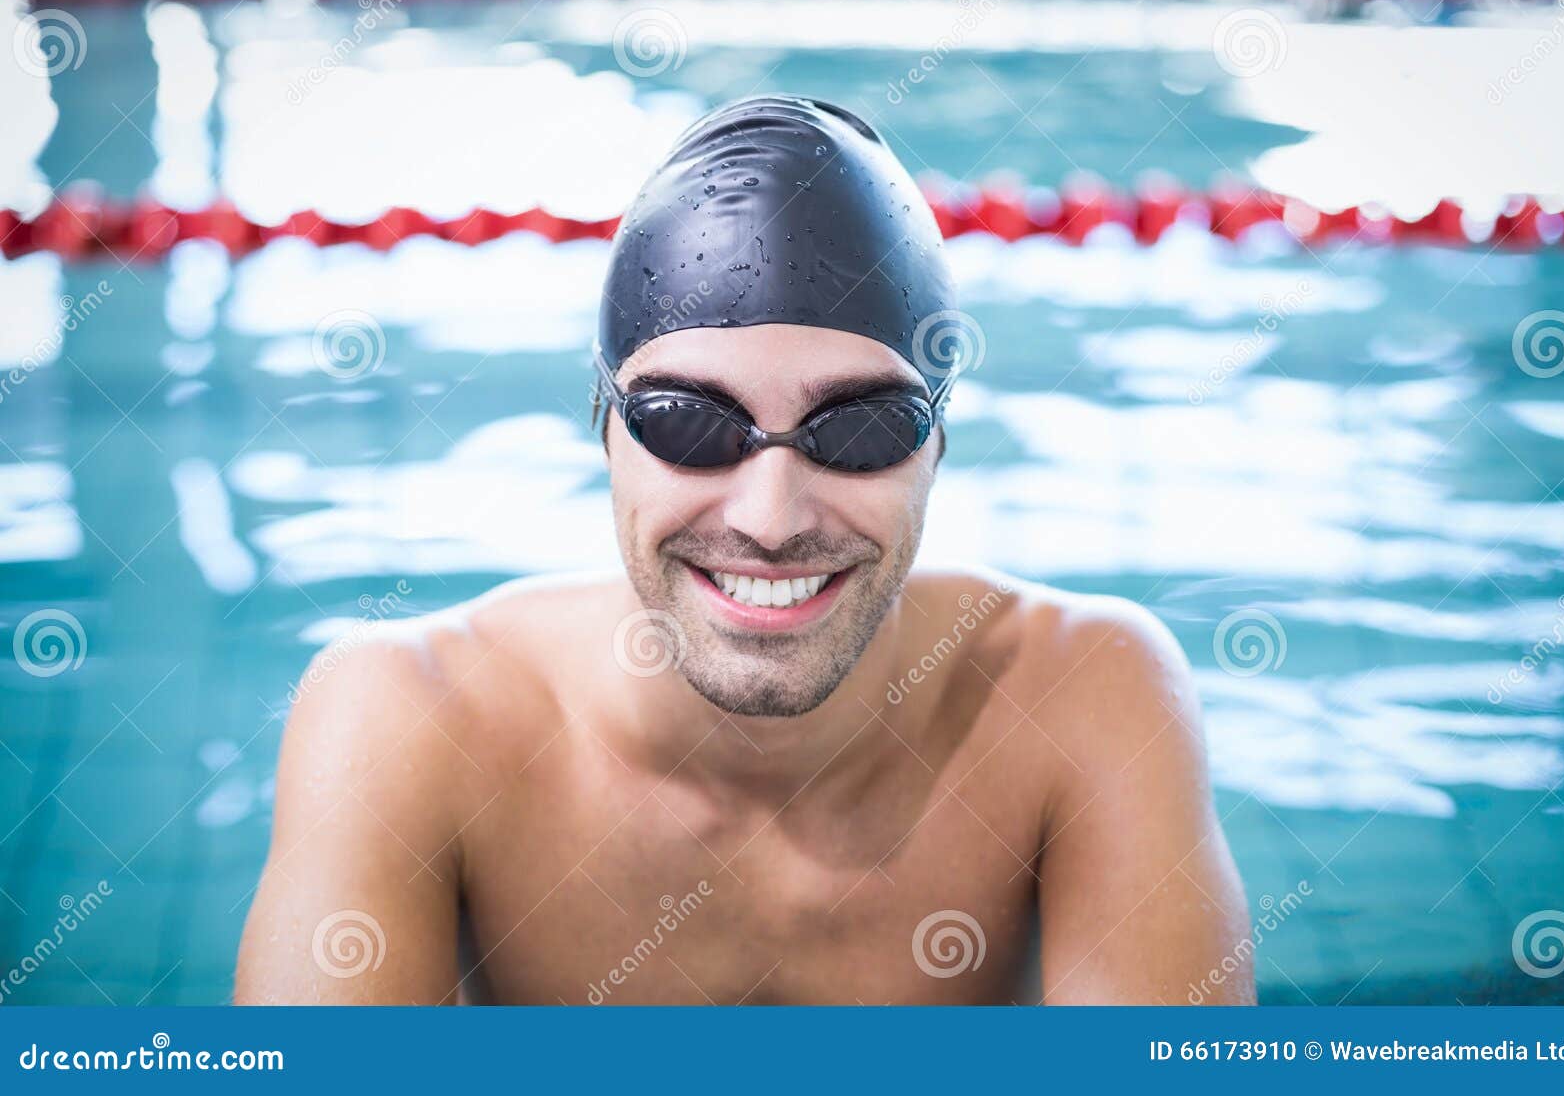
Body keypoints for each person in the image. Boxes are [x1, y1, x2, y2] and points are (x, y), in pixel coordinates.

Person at [235, 96, 1252, 1005]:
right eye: (689, 421)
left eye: (859, 427)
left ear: (936, 443)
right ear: (603, 428)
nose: (769, 516)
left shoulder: (1086, 696)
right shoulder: (410, 718)